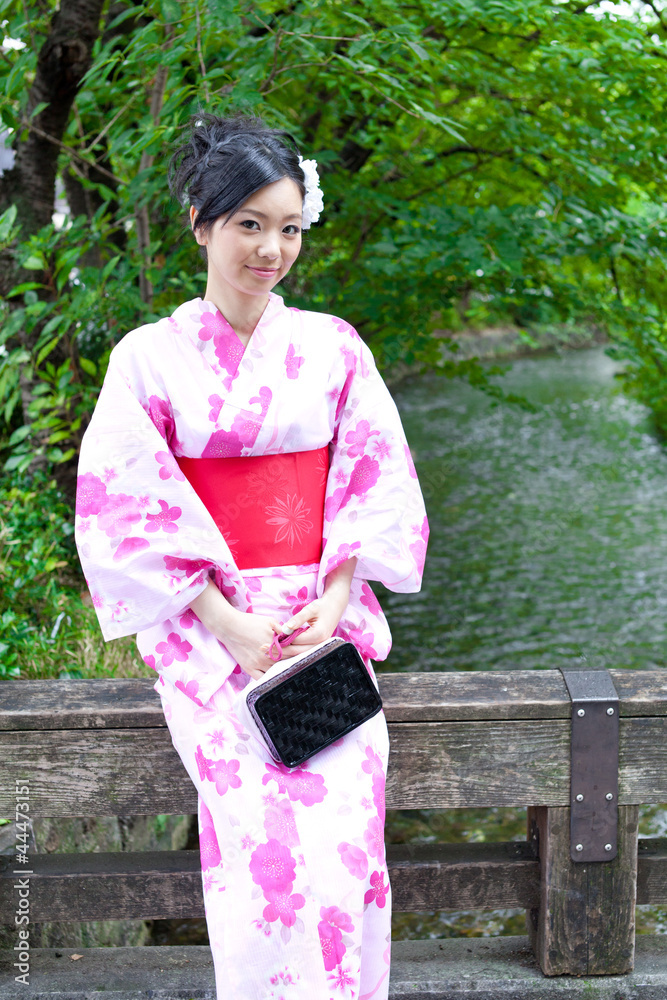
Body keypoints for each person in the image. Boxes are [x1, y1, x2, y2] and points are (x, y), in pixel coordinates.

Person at [74, 112, 428, 1000]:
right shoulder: (146, 360)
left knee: (348, 839)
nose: (271, 249)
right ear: (201, 222)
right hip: (211, 626)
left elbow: (371, 476)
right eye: (249, 225)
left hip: (318, 620)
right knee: (258, 854)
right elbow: (127, 509)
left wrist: (338, 596)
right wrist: (226, 623)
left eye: (290, 228)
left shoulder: (332, 346)